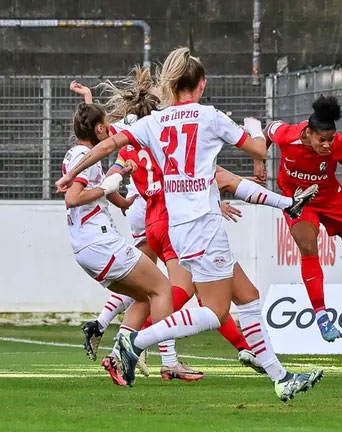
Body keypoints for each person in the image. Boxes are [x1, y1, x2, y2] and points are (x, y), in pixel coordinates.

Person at [56, 48, 322, 402]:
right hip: (203, 226)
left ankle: (282, 378)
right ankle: (134, 340)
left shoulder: (155, 121)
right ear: (201, 85)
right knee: (215, 310)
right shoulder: (210, 117)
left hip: (177, 227)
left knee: (248, 296)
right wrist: (263, 127)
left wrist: (70, 175)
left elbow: (106, 146)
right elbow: (259, 150)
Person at [62, 102, 177, 386]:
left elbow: (95, 187)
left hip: (88, 250)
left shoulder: (80, 154)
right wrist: (108, 187)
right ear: (99, 129)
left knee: (144, 296)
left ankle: (117, 359)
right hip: (100, 243)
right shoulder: (84, 154)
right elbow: (73, 197)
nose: (111, 132)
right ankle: (170, 362)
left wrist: (122, 200)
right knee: (163, 288)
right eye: (106, 127)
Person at [262, 95, 342, 342]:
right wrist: (259, 159)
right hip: (298, 200)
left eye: (330, 140)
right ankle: (322, 316)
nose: (327, 145)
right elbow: (268, 131)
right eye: (321, 140)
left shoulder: (339, 144)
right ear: (308, 134)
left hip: (331, 199)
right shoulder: (288, 135)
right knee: (308, 247)